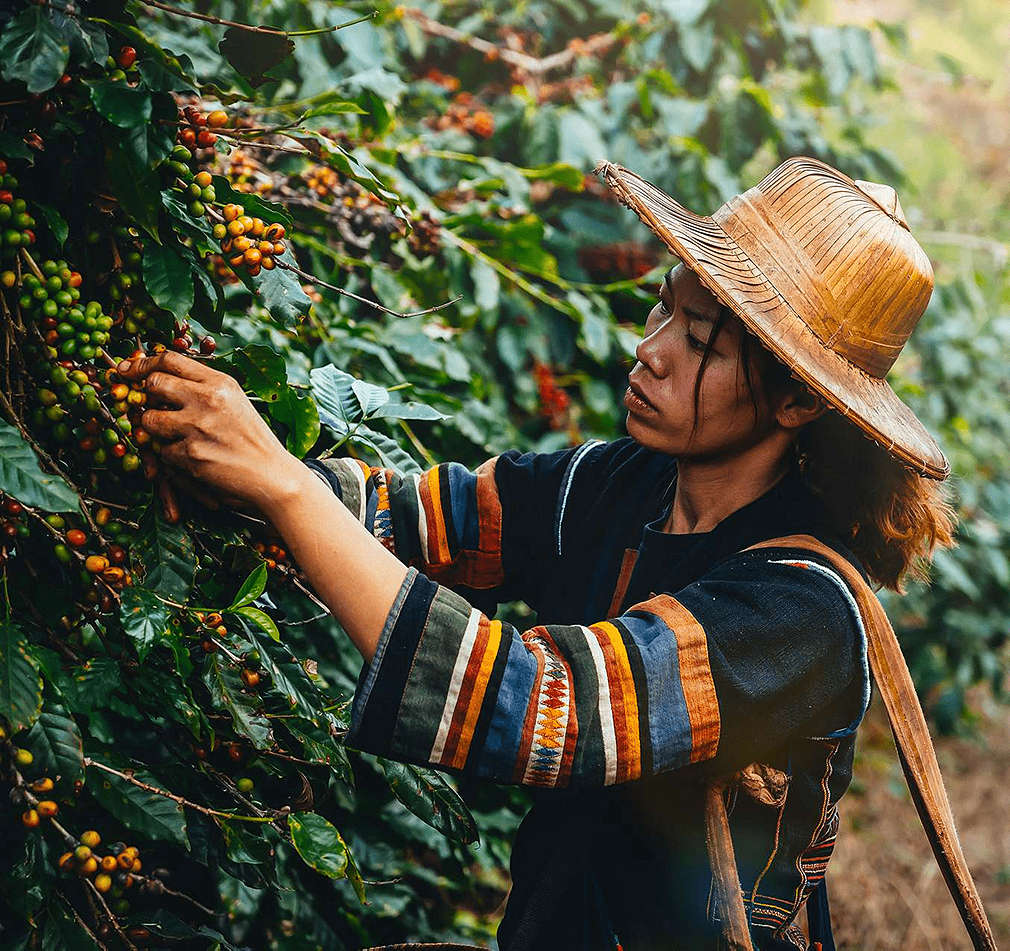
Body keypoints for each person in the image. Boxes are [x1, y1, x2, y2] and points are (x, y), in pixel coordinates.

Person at [116, 156, 955, 950]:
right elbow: (413, 518)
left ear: (800, 399)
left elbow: (544, 708)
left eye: (700, 340)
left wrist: (281, 488)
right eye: (665, 307)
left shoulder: (800, 611)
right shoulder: (618, 483)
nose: (650, 347)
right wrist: (230, 460)